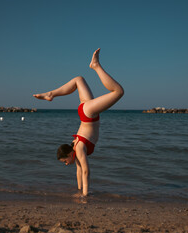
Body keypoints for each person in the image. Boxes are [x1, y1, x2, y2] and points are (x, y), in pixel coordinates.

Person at [33, 48, 124, 197]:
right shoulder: (75, 147)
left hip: (89, 114)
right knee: (78, 80)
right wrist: (79, 190)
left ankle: (96, 66)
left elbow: (86, 171)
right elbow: (79, 170)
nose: (66, 163)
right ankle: (51, 94)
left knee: (118, 92)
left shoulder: (79, 148)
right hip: (85, 112)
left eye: (64, 161)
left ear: (69, 154)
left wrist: (84, 195)